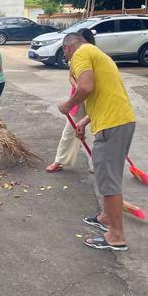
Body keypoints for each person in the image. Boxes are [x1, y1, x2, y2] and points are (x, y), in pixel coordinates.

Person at [58, 32, 136, 252]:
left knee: (108, 181)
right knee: (108, 176)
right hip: (119, 121)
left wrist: (67, 104)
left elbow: (85, 87)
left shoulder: (80, 54)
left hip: (113, 125)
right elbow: (104, 94)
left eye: (65, 53)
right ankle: (106, 218)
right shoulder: (98, 53)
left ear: (67, 48)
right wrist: (83, 121)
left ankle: (116, 236)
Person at [47, 28, 96, 173]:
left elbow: (89, 85)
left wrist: (82, 87)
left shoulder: (90, 55)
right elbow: (71, 76)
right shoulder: (76, 58)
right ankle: (59, 161)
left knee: (98, 134)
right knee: (70, 130)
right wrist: (77, 86)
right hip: (79, 98)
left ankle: (96, 164)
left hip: (94, 99)